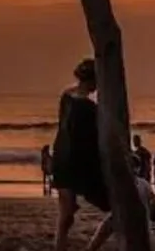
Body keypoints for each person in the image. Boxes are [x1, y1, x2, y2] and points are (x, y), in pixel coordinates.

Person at [51, 59, 114, 251]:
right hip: (78, 163)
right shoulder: (89, 108)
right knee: (116, 208)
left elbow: (64, 128)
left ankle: (65, 246)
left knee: (66, 215)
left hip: (63, 157)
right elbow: (94, 139)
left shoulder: (67, 97)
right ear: (93, 80)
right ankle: (90, 247)